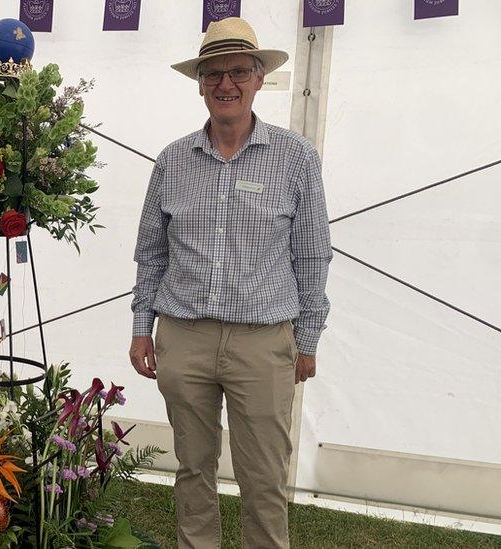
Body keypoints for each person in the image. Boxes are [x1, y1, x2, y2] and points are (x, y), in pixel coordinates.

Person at [129, 17, 332, 548]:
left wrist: (306, 341)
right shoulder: (172, 161)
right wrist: (140, 328)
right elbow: (151, 253)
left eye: (239, 71)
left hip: (263, 343)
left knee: (263, 478)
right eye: (214, 73)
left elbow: (312, 256)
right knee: (193, 472)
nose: (226, 84)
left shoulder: (296, 159)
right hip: (184, 339)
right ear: (199, 83)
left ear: (259, 77)